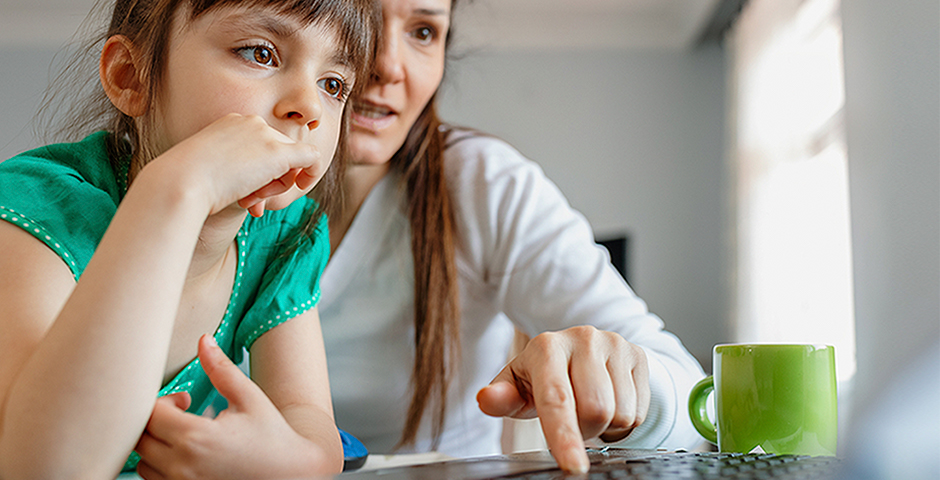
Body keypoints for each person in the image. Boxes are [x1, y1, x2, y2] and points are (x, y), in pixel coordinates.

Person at [319, 0, 707, 474]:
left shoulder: (485, 184)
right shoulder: (232, 193)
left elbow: (695, 404)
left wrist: (623, 378)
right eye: (362, 16)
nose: (388, 65)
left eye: (423, 31)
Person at [0, 0, 378, 478]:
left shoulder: (284, 234)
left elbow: (311, 427)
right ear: (131, 77)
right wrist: (175, 190)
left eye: (333, 84)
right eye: (260, 53)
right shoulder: (39, 211)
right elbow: (41, 468)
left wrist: (286, 462)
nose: (309, 107)